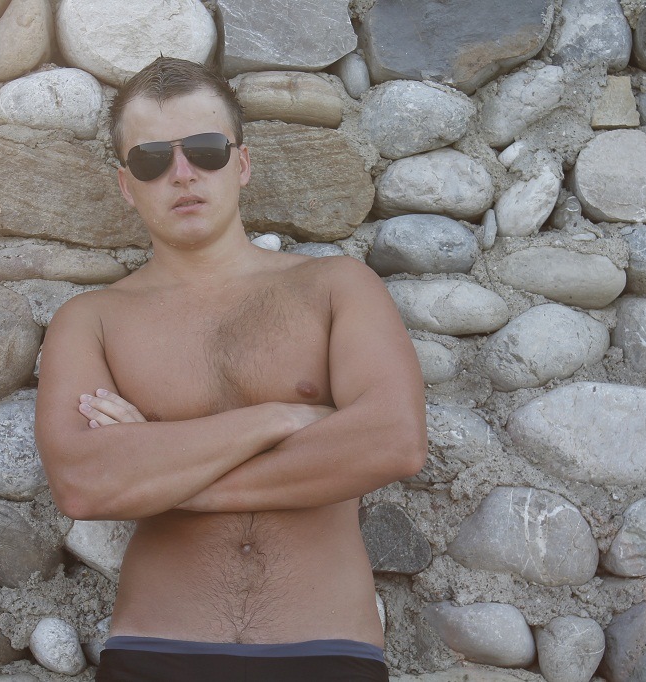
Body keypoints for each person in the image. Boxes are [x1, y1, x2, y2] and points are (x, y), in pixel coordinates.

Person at [34, 56, 427, 682]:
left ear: (241, 164)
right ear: (127, 184)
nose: (182, 173)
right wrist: (280, 417)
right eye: (151, 160)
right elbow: (84, 484)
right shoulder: (93, 319)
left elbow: (393, 442)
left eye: (206, 150)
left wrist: (162, 472)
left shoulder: (334, 286)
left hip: (327, 654)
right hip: (155, 656)